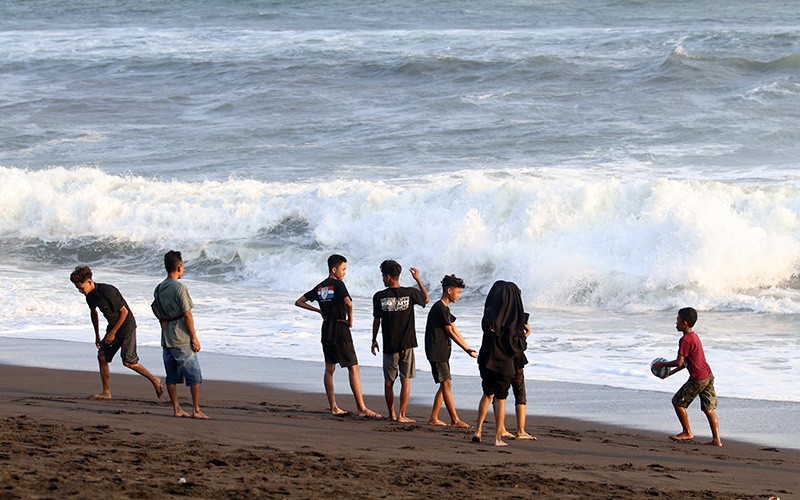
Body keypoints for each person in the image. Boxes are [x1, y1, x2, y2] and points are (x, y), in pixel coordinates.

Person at [295, 254, 380, 418]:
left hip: (326, 328)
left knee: (329, 368)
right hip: (340, 328)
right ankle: (361, 408)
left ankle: (333, 407)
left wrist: (319, 310)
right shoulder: (338, 284)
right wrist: (350, 319)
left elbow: (299, 302)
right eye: (343, 269)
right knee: (353, 367)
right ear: (334, 269)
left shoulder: (320, 287)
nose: (344, 272)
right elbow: (348, 303)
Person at [70, 266, 163, 400]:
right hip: (113, 326)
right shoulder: (90, 297)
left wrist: (112, 333)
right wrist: (97, 335)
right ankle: (106, 392)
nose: (80, 291)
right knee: (102, 356)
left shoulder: (107, 291)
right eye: (78, 288)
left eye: (81, 288)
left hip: (126, 326)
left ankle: (155, 379)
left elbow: (124, 312)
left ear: (90, 282)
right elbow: (93, 313)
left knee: (128, 361)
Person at [652, 308, 722, 446]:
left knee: (677, 402)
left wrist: (662, 365)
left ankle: (687, 431)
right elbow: (686, 362)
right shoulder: (695, 337)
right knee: (709, 409)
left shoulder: (685, 340)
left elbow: (679, 362)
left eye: (677, 320)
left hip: (697, 379)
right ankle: (716, 440)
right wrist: (671, 373)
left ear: (685, 323)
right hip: (708, 376)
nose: (675, 323)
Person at [371, 260, 429, 422]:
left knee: (389, 381)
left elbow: (377, 320)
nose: (383, 279)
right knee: (405, 379)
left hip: (390, 344)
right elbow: (426, 299)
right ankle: (402, 415)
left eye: (383, 276)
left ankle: (392, 414)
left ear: (388, 277)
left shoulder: (380, 296)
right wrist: (417, 279)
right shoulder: (410, 293)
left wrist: (374, 339)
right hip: (407, 343)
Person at [472, 281, 528, 446]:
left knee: (487, 394)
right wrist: (527, 334)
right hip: (503, 363)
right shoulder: (512, 320)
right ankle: (497, 438)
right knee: (501, 398)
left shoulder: (488, 316)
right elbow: (515, 346)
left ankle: (478, 430)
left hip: (486, 359)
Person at [155, 250, 209, 419]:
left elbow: (158, 312)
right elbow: (187, 314)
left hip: (166, 336)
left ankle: (177, 408)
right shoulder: (180, 288)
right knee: (194, 375)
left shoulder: (159, 288)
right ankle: (196, 409)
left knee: (171, 375)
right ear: (179, 267)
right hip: (181, 337)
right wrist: (194, 337)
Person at [424, 274, 477, 428]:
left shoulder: (445, 309)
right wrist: (466, 349)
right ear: (449, 290)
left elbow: (455, 328)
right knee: (446, 384)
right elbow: (450, 332)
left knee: (445, 384)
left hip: (441, 350)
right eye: (458, 292)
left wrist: (467, 346)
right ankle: (455, 420)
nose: (459, 295)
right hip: (437, 351)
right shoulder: (439, 308)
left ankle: (434, 417)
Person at [497, 310, 536, 441]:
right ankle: (520, 430)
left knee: (500, 394)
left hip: (501, 358)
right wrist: (528, 333)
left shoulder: (499, 315)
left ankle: (501, 428)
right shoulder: (519, 315)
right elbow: (519, 344)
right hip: (517, 359)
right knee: (520, 393)